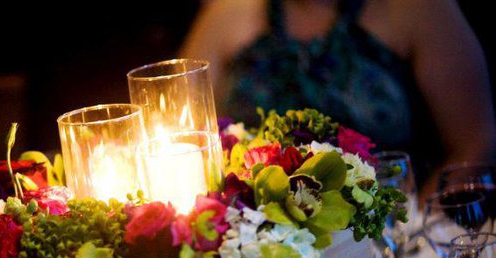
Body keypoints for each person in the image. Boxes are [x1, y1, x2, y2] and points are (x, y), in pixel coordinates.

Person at [180, 0, 496, 198]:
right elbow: (182, 133)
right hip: (266, 246)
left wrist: (417, 227)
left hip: (400, 242)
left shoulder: (420, 9)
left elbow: (476, 143)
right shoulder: (227, 13)